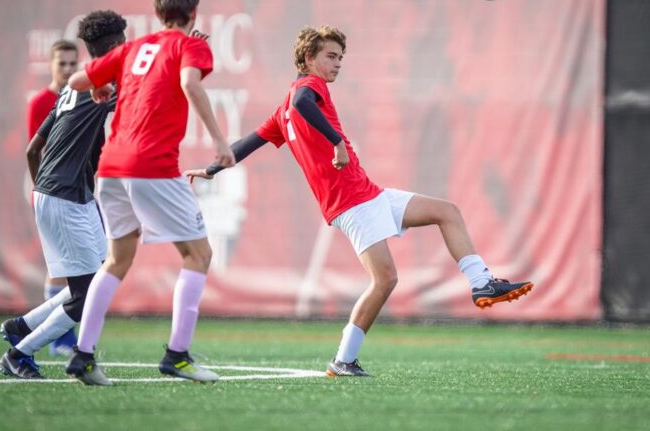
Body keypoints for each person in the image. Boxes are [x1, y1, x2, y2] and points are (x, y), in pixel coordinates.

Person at [187, 25, 534, 377]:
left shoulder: (281, 114)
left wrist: (212, 169)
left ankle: (480, 283)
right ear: (309, 59)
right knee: (385, 280)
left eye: (341, 57)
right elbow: (302, 102)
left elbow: (245, 145)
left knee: (447, 212)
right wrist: (336, 141)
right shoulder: (308, 88)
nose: (338, 64)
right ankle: (343, 360)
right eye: (330, 57)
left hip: (370, 194)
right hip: (351, 203)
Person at [65, 0, 236, 386]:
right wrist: (219, 140)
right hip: (152, 167)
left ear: (157, 11)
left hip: (111, 168)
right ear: (194, 10)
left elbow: (75, 81)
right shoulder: (190, 45)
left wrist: (100, 88)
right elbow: (188, 83)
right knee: (198, 255)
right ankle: (177, 356)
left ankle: (82, 357)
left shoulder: (134, 47)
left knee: (118, 259)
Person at [0, 11, 127, 379]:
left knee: (92, 283)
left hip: (68, 194)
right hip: (66, 196)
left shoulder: (74, 85)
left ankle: (22, 326)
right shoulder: (100, 84)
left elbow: (32, 150)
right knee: (86, 295)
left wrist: (43, 191)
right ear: (116, 46)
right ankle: (19, 354)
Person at [25, 39, 80, 357]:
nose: (68, 69)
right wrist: (42, 193)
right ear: (50, 65)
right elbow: (37, 151)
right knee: (62, 268)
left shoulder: (83, 97)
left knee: (79, 267)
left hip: (78, 193)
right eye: (62, 63)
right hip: (53, 193)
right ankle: (58, 338)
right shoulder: (40, 102)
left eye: (73, 63)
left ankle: (55, 334)